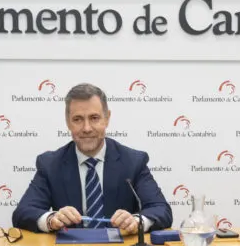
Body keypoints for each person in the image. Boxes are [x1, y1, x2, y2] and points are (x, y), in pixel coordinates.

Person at [12, 83, 172, 234]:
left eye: (94, 118)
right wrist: (51, 220)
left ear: (107, 118)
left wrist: (137, 221)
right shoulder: (50, 164)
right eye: (78, 119)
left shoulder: (133, 161)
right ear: (68, 122)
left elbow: (161, 209)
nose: (86, 128)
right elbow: (23, 213)